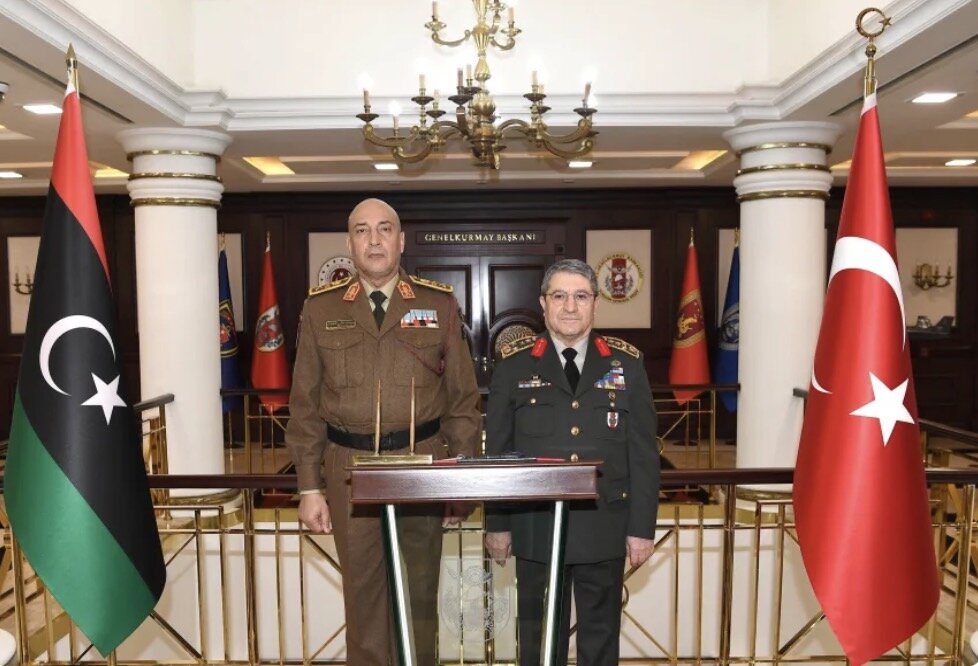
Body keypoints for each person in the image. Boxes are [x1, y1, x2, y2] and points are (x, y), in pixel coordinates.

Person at [286, 197, 481, 665]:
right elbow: (305, 406)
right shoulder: (320, 310)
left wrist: (461, 484)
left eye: (384, 229)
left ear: (402, 240)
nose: (374, 240)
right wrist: (310, 487)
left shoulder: (439, 303)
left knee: (418, 600)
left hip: (423, 469)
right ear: (350, 243)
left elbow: (462, 402)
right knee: (364, 600)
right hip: (349, 471)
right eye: (361, 230)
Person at [484, 258, 659, 666]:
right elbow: (499, 454)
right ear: (543, 304)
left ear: (595, 304)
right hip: (535, 528)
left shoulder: (626, 365)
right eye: (559, 296)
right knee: (539, 643)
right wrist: (497, 523)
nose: (569, 307)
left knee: (600, 643)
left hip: (604, 526)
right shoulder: (513, 365)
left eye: (580, 296)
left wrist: (641, 528)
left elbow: (644, 453)